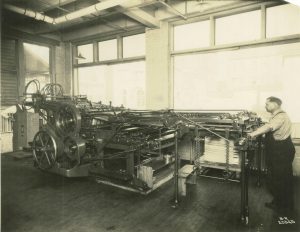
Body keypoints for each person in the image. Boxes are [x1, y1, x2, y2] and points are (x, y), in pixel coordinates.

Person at [248, 96, 295, 212]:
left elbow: (269, 126)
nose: (265, 106)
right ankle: (280, 202)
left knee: (281, 178)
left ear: (275, 104)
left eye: (267, 104)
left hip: (281, 151)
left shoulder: (281, 116)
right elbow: (269, 123)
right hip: (279, 150)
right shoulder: (277, 116)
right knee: (278, 177)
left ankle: (284, 207)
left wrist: (252, 134)